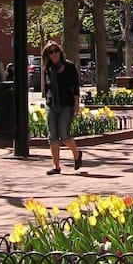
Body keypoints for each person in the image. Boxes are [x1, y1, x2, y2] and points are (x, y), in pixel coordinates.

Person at [41, 41, 83, 173]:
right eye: (50, 52)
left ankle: (77, 155)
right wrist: (46, 101)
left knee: (64, 135)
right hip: (51, 104)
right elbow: (47, 87)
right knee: (53, 136)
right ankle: (56, 166)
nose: (54, 54)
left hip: (66, 104)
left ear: (60, 52)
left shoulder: (69, 66)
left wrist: (76, 104)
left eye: (55, 51)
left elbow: (75, 87)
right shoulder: (47, 68)